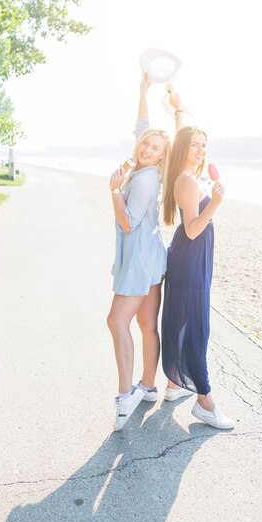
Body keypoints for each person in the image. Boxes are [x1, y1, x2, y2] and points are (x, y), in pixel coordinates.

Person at [161, 101, 234, 429]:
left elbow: (181, 137)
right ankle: (205, 402)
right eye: (195, 146)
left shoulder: (188, 176)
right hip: (190, 258)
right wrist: (215, 203)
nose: (201, 150)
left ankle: (175, 385)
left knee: (185, 318)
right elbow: (192, 229)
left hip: (192, 259)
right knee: (196, 327)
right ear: (184, 150)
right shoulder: (187, 181)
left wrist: (179, 111)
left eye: (204, 146)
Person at [107, 74, 171, 432]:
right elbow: (142, 129)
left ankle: (125, 395)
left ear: (162, 158)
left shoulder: (145, 178)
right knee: (147, 325)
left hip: (140, 259)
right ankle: (148, 387)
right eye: (145, 145)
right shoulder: (144, 163)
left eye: (154, 149)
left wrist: (115, 191)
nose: (146, 149)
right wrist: (143, 92)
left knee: (117, 321)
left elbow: (128, 223)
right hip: (151, 257)